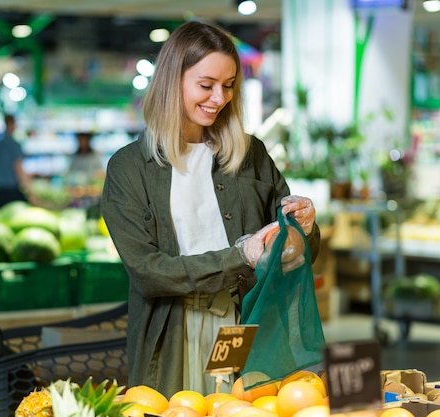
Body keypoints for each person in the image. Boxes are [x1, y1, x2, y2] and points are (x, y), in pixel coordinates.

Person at [100, 20, 321, 398]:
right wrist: (241, 255)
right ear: (173, 81)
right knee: (179, 405)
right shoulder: (129, 169)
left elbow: (294, 254)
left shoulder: (251, 156)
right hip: (172, 330)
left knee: (238, 405)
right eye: (206, 85)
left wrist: (303, 231)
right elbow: (148, 272)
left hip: (239, 323)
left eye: (229, 86)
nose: (219, 98)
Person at [0, 114, 31, 207]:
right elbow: (18, 166)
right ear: (12, 124)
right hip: (12, 190)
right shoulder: (14, 145)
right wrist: (28, 187)